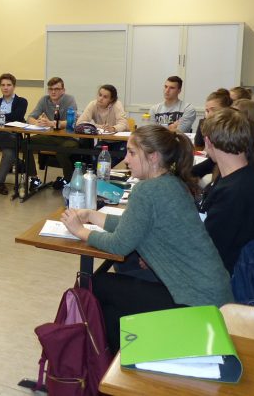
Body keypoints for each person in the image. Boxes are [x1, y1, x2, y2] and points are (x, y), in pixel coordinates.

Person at [61, 125, 233, 353]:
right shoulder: (171, 182)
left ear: (153, 157)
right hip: (213, 296)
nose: (126, 159)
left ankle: (113, 367)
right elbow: (136, 227)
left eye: (132, 153)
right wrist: (94, 216)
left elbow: (119, 244)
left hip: (195, 302)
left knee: (97, 285)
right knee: (111, 306)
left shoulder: (148, 190)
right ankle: (118, 364)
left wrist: (81, 231)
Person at [197, 108, 254, 274]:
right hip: (220, 267)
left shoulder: (235, 191)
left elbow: (206, 249)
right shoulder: (242, 175)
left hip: (217, 277)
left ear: (208, 142)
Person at [25, 77, 79, 183]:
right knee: (25, 143)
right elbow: (30, 117)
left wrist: (52, 124)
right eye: (50, 89)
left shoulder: (69, 99)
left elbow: (71, 122)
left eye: (57, 89)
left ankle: (69, 182)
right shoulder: (44, 100)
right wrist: (38, 123)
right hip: (50, 137)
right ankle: (34, 178)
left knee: (61, 151)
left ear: (63, 90)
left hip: (69, 138)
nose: (53, 92)